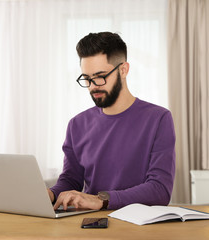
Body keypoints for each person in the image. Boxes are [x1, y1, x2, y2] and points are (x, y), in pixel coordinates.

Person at [47, 32, 175, 210]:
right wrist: (50, 194)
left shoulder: (159, 119)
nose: (93, 86)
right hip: (89, 224)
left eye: (100, 76)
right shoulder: (76, 125)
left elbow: (160, 190)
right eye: (87, 78)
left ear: (123, 70)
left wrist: (102, 200)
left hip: (138, 226)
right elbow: (71, 180)